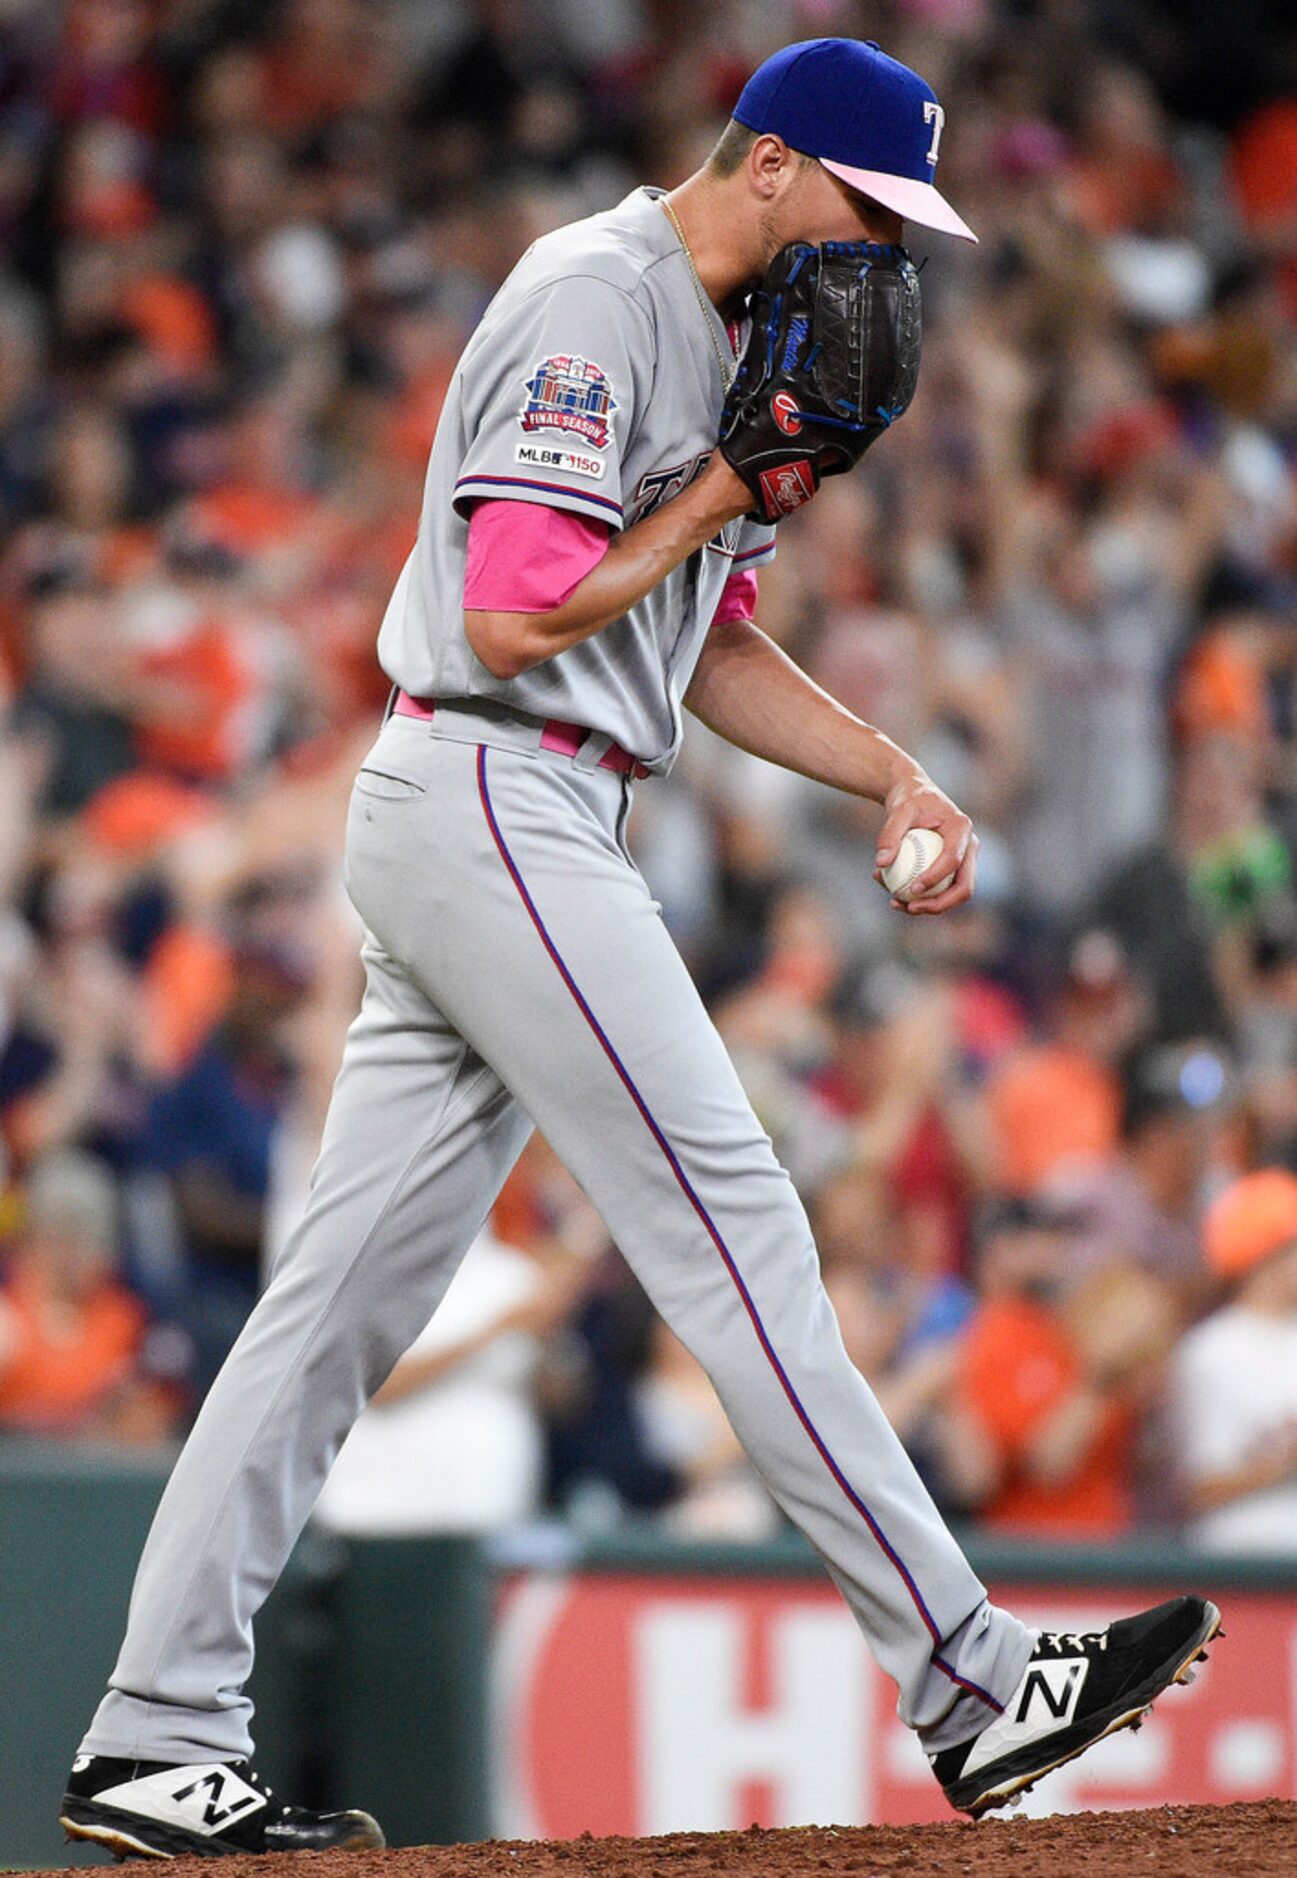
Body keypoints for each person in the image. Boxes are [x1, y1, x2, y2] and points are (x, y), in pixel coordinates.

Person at [62, 39, 1219, 1857]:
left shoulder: (730, 319)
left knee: (330, 1316)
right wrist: (708, 496)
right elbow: (522, 617)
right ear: (765, 161)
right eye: (864, 199)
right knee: (733, 1212)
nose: (881, 247)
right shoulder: (598, 300)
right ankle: (974, 1683)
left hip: (524, 803)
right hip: (497, 785)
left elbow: (703, 643)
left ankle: (152, 1726)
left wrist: (888, 766)